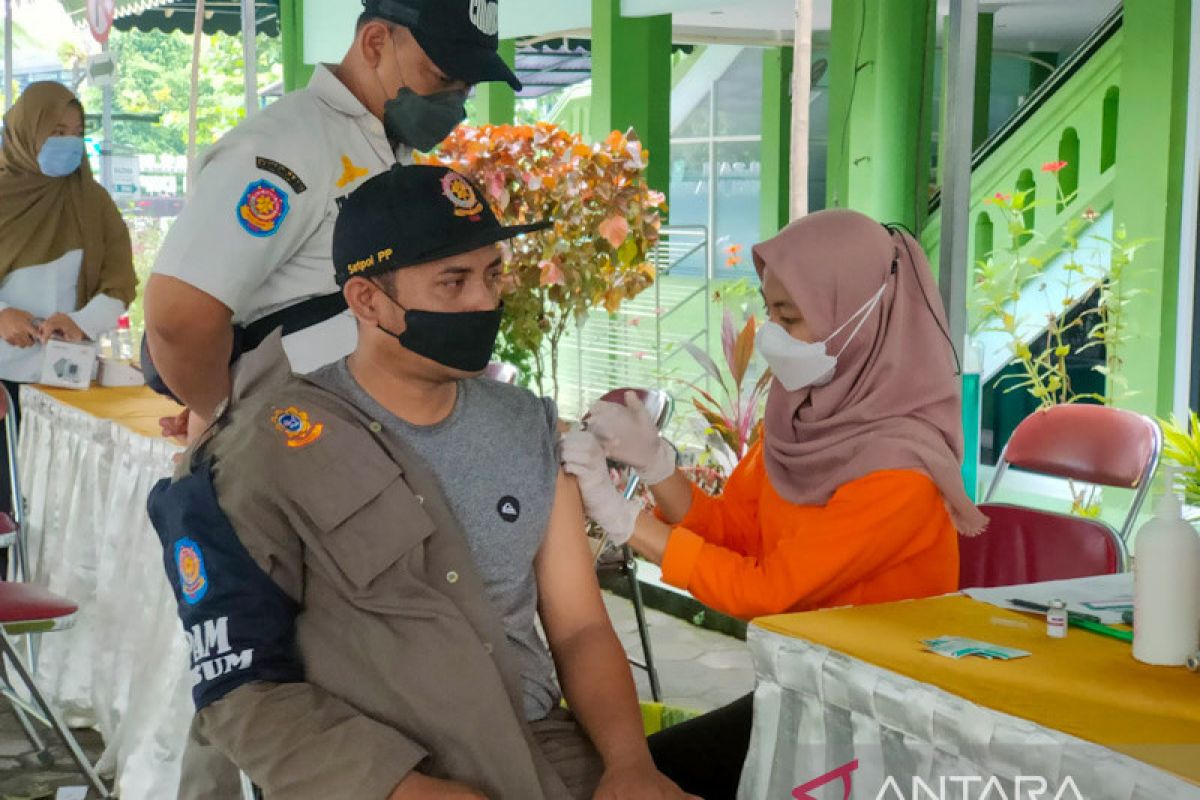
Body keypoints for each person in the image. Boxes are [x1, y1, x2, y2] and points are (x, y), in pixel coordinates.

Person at [149, 164, 695, 800]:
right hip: (377, 770)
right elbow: (242, 689)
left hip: (539, 749)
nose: (483, 301)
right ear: (367, 300)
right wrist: (399, 788)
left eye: (492, 274)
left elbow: (579, 627)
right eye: (452, 281)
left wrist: (630, 765)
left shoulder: (525, 426)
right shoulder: (270, 448)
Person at [563, 208, 989, 799]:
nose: (772, 333)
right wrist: (657, 467)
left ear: (859, 317)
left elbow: (769, 589)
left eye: (791, 317)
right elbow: (735, 529)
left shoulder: (901, 470)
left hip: (886, 716)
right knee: (644, 771)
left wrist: (622, 518)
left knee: (658, 777)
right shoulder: (802, 420)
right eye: (772, 312)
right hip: (810, 688)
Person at [143, 0, 520, 443]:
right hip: (294, 451)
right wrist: (229, 421)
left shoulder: (383, 143)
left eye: (465, 86)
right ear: (376, 43)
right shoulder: (288, 149)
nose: (454, 102)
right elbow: (179, 316)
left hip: (349, 442)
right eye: (441, 78)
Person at [0, 81, 136, 533]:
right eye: (56, 130)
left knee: (55, 515)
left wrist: (79, 322)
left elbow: (120, 281)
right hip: (1, 387)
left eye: (77, 131)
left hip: (66, 384)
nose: (69, 142)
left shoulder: (90, 200)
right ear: (26, 131)